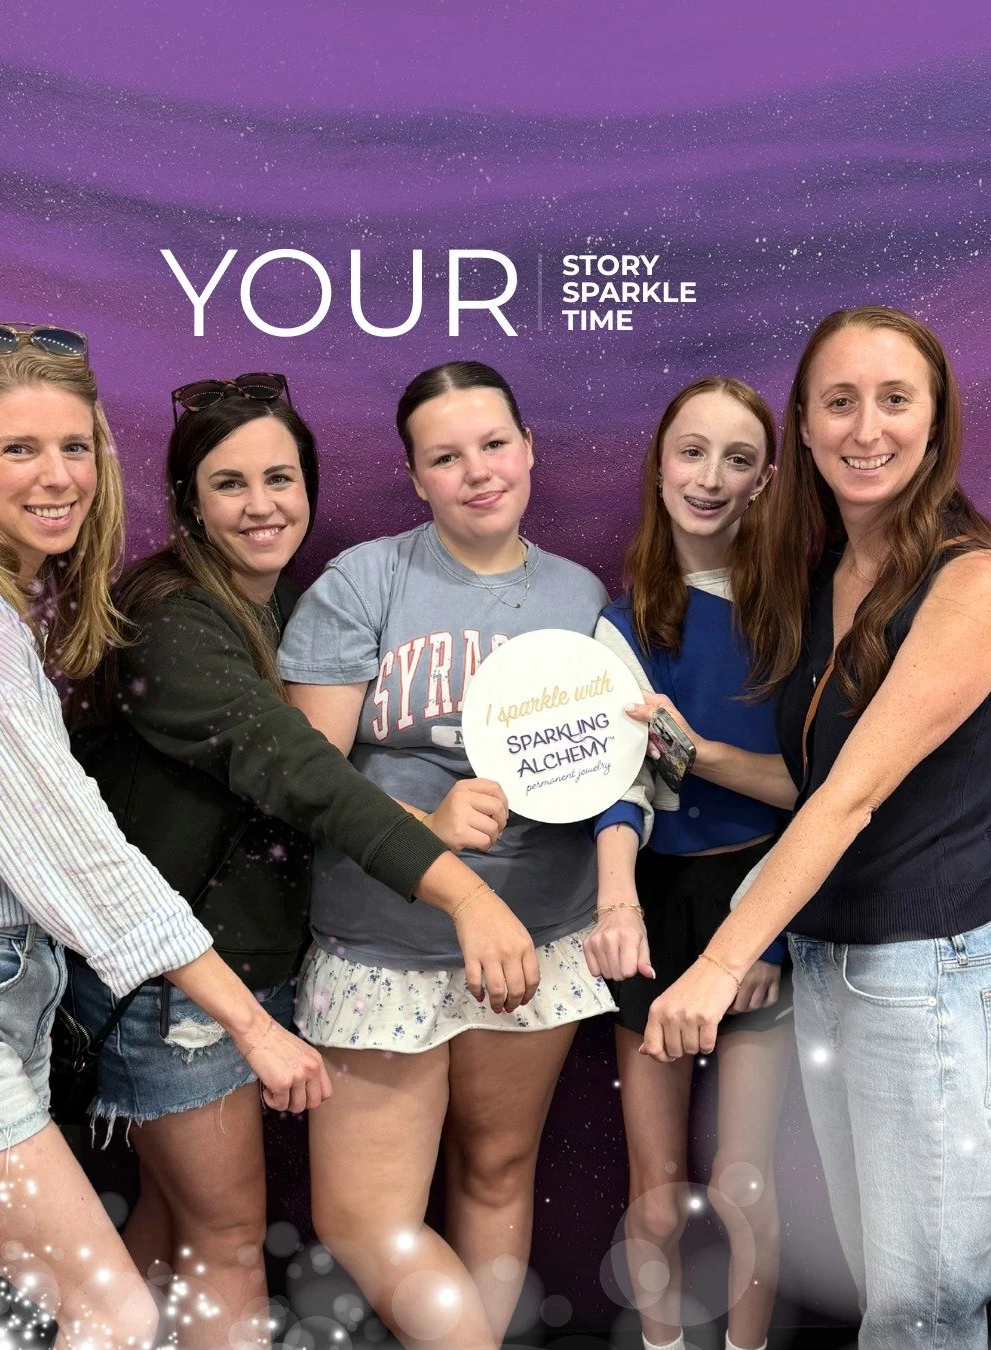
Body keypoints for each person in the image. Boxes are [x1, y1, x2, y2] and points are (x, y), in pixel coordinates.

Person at [65, 371, 538, 1350]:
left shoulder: (288, 611)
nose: (261, 504)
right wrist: (459, 890)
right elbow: (291, 768)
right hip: (177, 986)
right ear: (189, 500)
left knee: (168, 1232)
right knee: (230, 1242)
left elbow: (305, 773)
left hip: (240, 967)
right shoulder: (170, 620)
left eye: (280, 477)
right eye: (229, 483)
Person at [0, 325, 328, 1349]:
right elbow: (80, 862)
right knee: (111, 1310)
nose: (58, 478)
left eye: (76, 447)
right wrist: (253, 1023)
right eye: (20, 450)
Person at [638, 307, 991, 1350]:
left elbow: (851, 799)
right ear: (805, 423)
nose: (866, 427)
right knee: (894, 1295)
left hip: (923, 978)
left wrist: (717, 959)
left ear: (938, 423)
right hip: (833, 969)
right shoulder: (825, 573)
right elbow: (812, 781)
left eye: (895, 400)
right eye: (840, 401)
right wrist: (687, 749)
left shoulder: (968, 582)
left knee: (925, 1312)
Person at [278, 360, 619, 1350]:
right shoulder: (365, 581)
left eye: (493, 445)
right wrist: (426, 830)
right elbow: (310, 784)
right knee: (363, 1218)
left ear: (529, 450)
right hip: (386, 943)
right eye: (446, 456)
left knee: (498, 1173)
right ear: (414, 476)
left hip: (537, 939)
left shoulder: (578, 594)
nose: (477, 471)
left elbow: (606, 769)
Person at [590, 378, 796, 1350]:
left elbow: (819, 793)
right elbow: (621, 785)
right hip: (659, 903)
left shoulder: (799, 615)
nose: (710, 478)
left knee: (743, 1179)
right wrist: (617, 902)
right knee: (657, 1185)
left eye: (738, 458)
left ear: (764, 480)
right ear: (659, 463)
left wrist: (770, 935)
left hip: (764, 894)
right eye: (692, 451)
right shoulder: (621, 622)